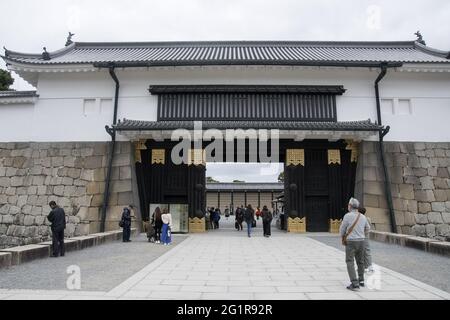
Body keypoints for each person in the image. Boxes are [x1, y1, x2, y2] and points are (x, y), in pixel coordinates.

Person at [340, 198, 371, 291]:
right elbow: (368, 228)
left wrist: (342, 237)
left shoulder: (347, 216)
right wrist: (362, 235)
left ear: (350, 206)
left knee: (350, 261)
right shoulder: (362, 216)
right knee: (360, 261)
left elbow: (342, 229)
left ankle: (354, 283)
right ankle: (361, 280)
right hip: (361, 241)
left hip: (351, 241)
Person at [358, 207, 374, 273]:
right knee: (367, 251)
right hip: (366, 237)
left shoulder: (360, 219)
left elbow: (366, 228)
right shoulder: (368, 218)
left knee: (362, 252)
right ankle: (368, 267)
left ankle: (366, 267)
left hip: (361, 236)